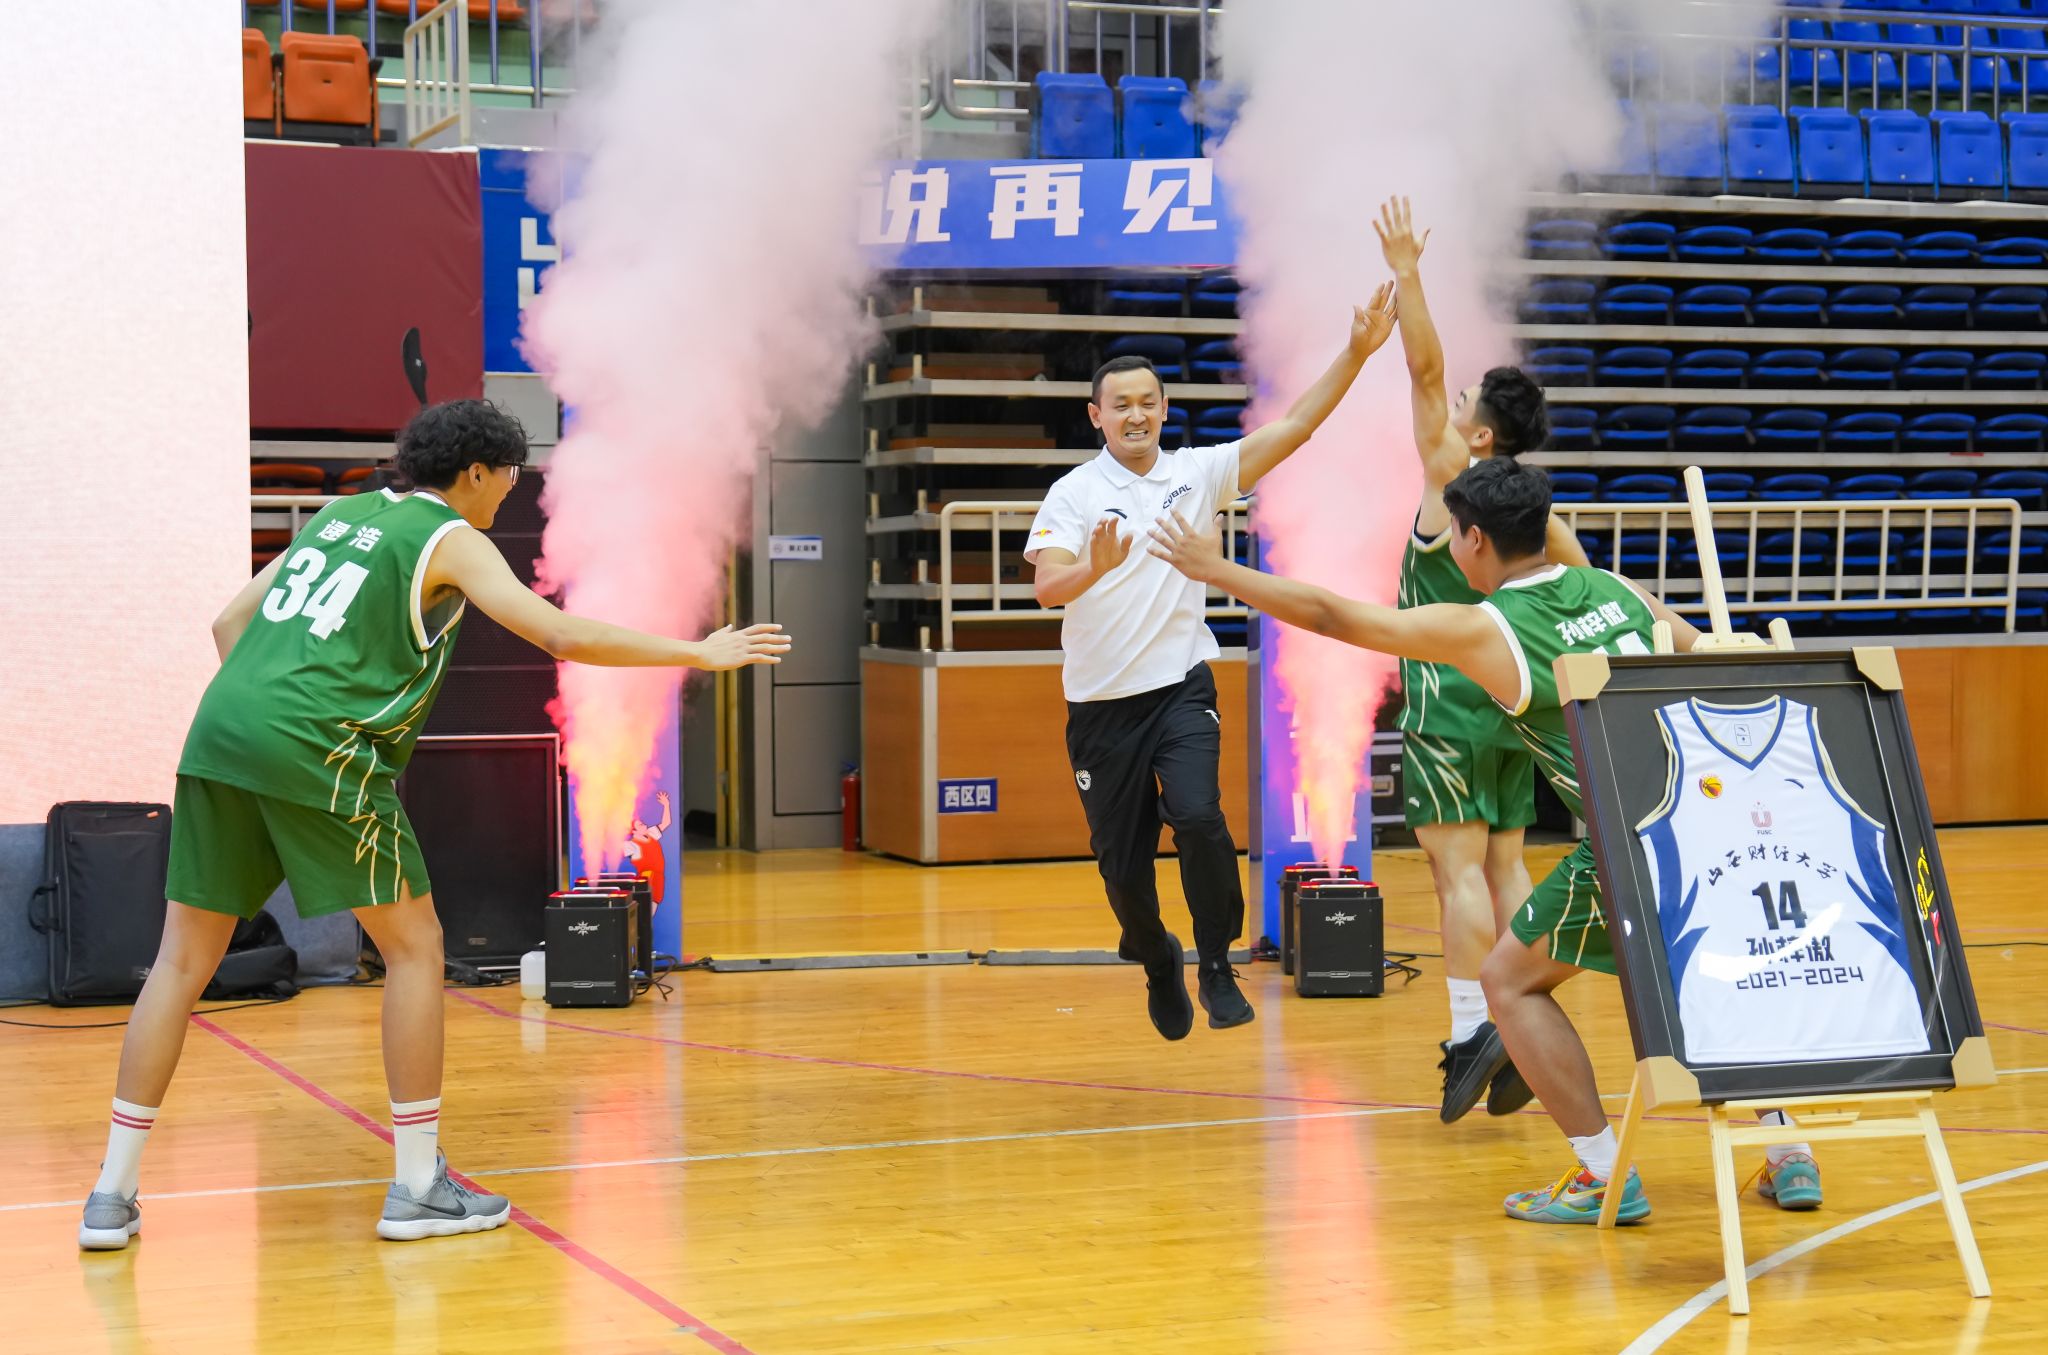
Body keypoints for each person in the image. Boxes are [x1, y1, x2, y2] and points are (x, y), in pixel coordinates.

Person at [80, 400, 791, 1250]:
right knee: (416, 946)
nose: (511, 490)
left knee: (180, 961)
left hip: (221, 731)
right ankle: (418, 1184)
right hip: (317, 743)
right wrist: (697, 652)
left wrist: (268, 720)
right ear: (477, 471)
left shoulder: (339, 514)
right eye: (510, 475)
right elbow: (557, 631)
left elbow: (227, 622)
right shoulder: (450, 537)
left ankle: (110, 1195)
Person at [1147, 455, 1821, 1222]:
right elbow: (1704, 651)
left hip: (1631, 844)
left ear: (1472, 540)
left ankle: (1606, 1175)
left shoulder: (1487, 627)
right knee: (1709, 976)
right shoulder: (1615, 588)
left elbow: (1336, 617)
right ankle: (1790, 1151)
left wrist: (1216, 569)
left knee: (1510, 982)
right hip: (1720, 826)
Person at [1025, 287, 1398, 1041]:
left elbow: (1295, 427)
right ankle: (1156, 957)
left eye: (1147, 402)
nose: (1136, 415)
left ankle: (1217, 962)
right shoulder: (1073, 494)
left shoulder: (1199, 474)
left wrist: (1357, 352)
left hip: (1181, 689)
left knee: (1198, 816)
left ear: (1164, 409)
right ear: (1096, 415)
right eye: (1120, 405)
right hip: (1101, 708)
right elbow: (1047, 588)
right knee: (1122, 870)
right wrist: (1093, 569)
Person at [1373, 196, 1595, 1123]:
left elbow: (1424, 370)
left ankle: (1473, 1029)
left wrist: (1408, 272)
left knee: (1453, 871)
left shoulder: (1450, 482)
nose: (1452, 403)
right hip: (1517, 703)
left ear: (1480, 438)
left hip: (1450, 704)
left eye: (1467, 406)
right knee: (1506, 864)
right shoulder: (1535, 513)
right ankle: (1517, 1008)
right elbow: (1591, 584)